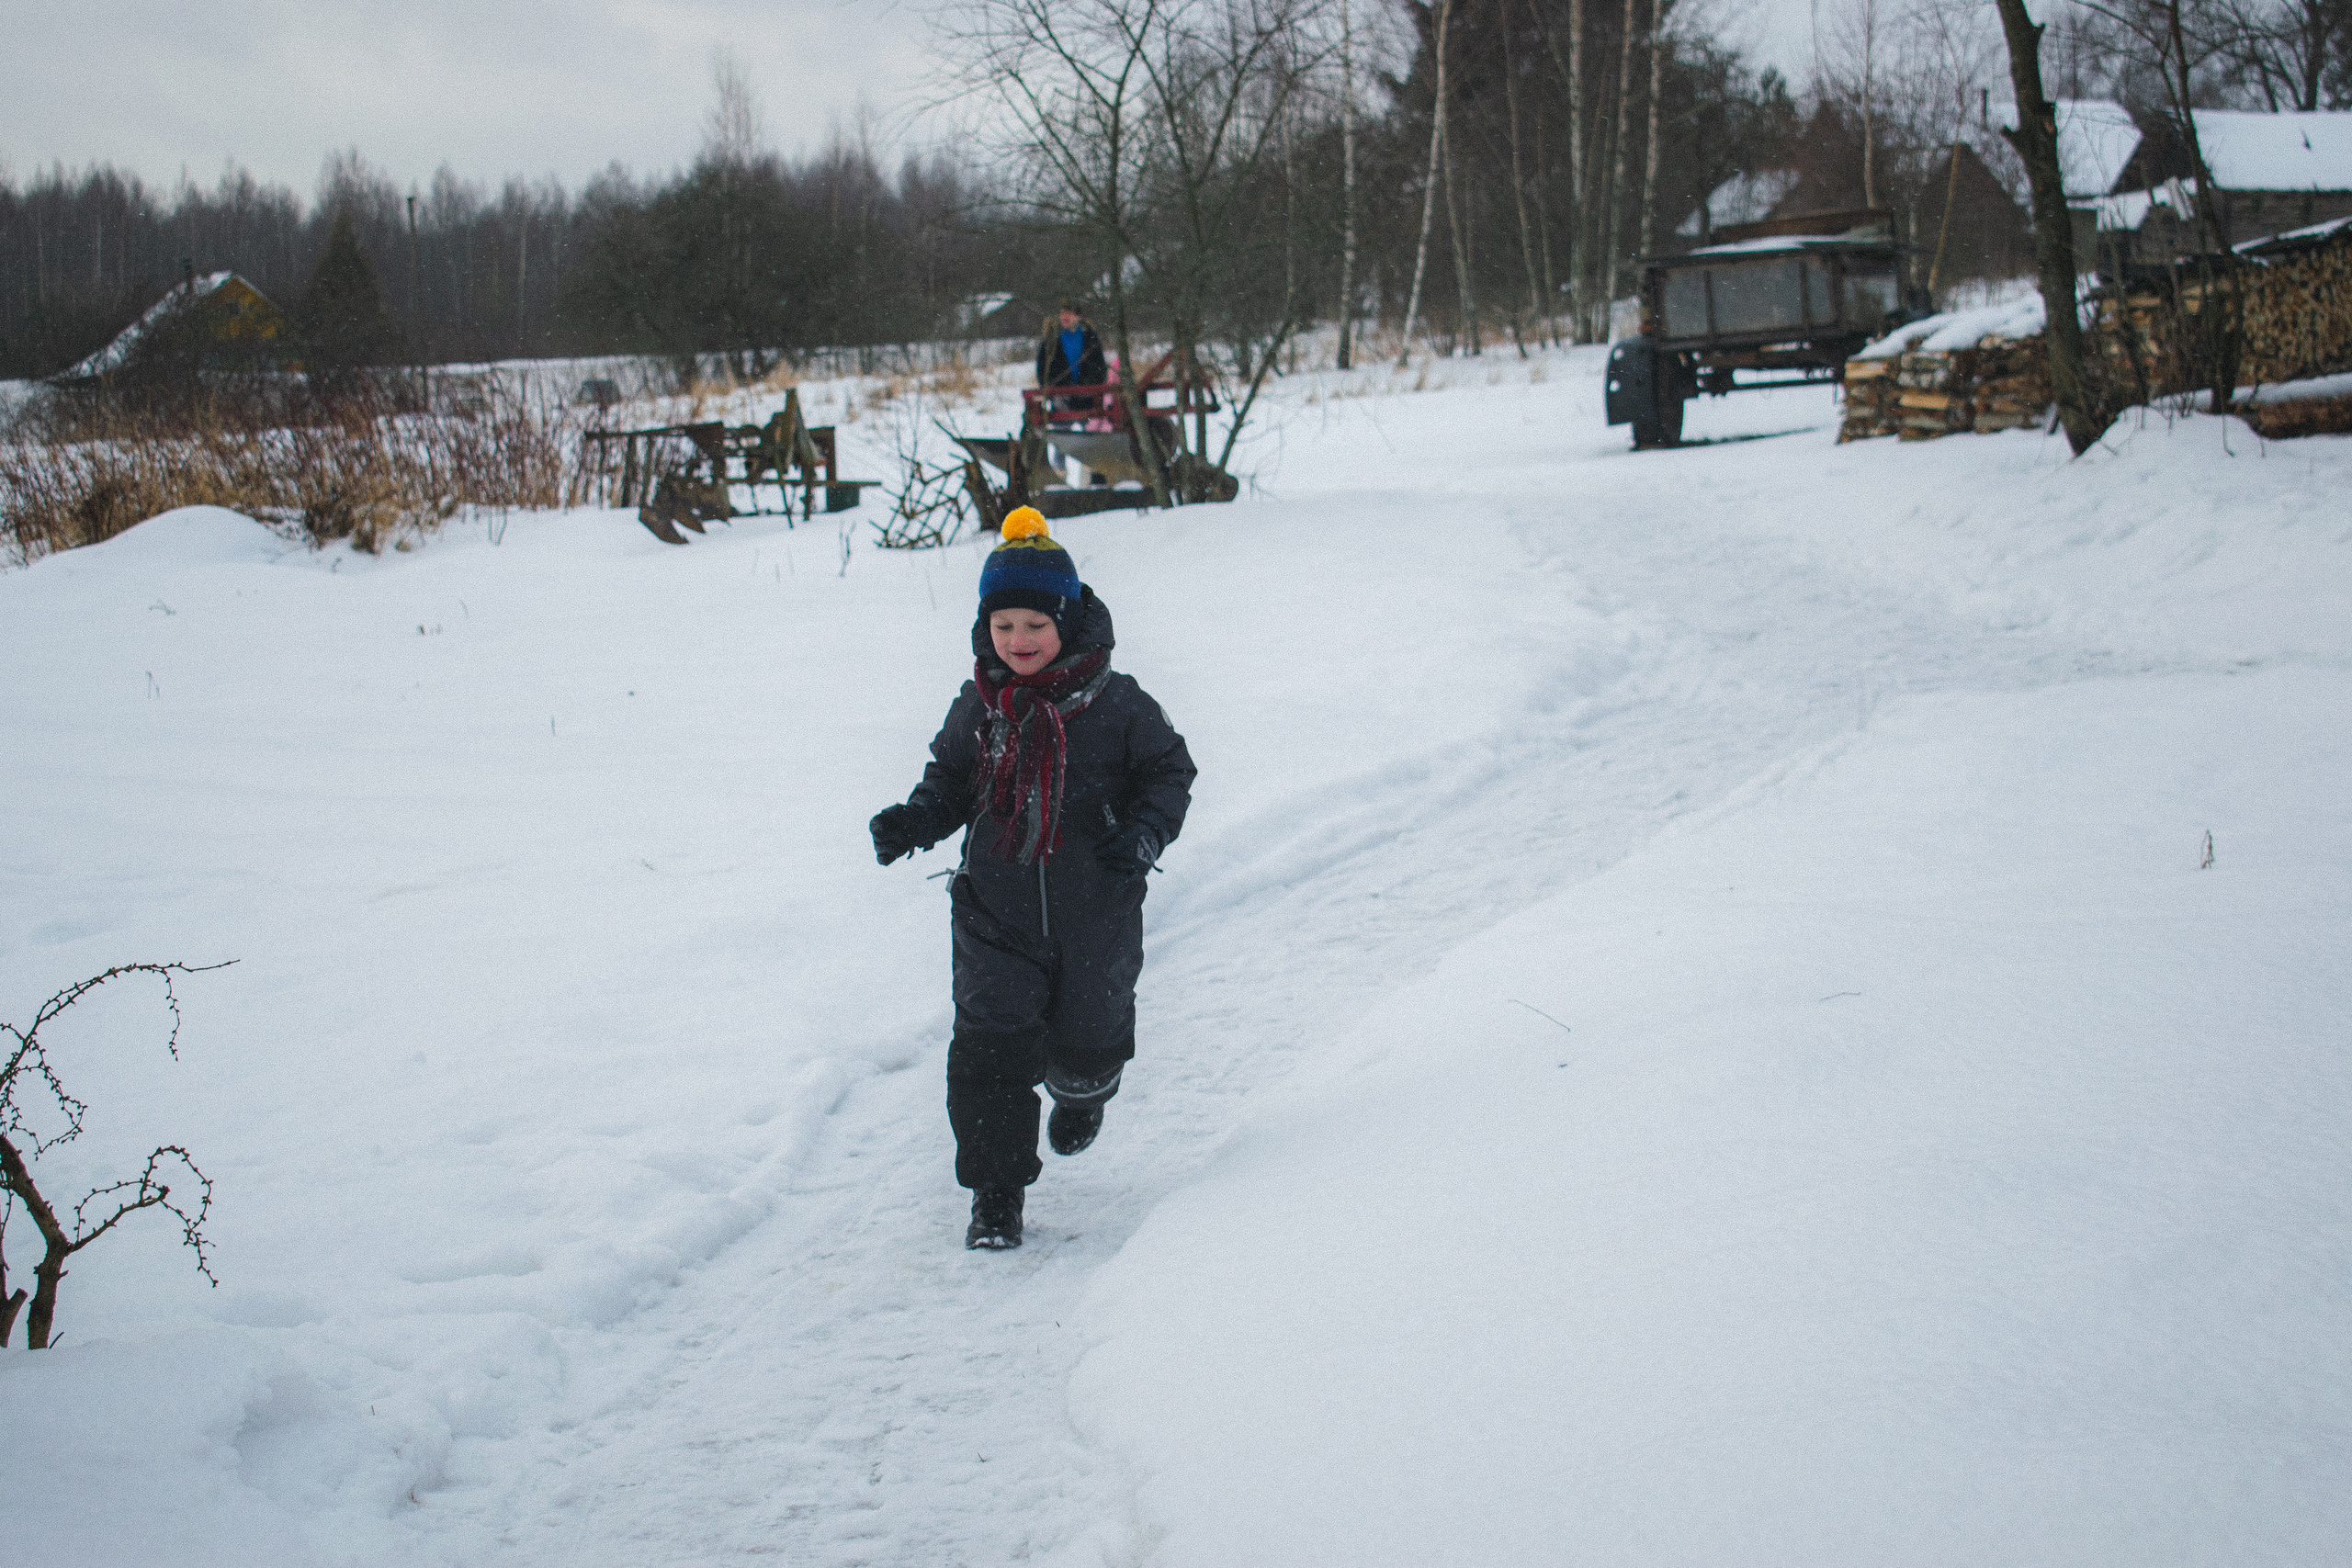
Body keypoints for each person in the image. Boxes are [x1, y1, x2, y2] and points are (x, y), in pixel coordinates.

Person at [869, 509, 1195, 1249]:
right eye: (1003, 625)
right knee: (988, 1053)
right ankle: (996, 1194)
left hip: (1097, 912)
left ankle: (1085, 1090)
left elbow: (1170, 773)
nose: (1018, 642)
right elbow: (951, 780)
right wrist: (917, 821)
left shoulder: (1118, 704)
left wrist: (1144, 834)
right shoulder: (981, 706)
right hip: (994, 916)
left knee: (1089, 1043)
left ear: (1068, 620)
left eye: (1034, 626)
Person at [1035, 301, 1107, 416]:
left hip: (1087, 394)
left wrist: (1091, 386)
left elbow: (1099, 365)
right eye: (1062, 313)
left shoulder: (1090, 337)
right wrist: (1050, 389)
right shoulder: (1052, 339)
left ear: (1078, 317)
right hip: (1060, 395)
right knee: (1061, 431)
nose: (1064, 316)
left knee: (1091, 428)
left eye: (1069, 313)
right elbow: (1042, 368)